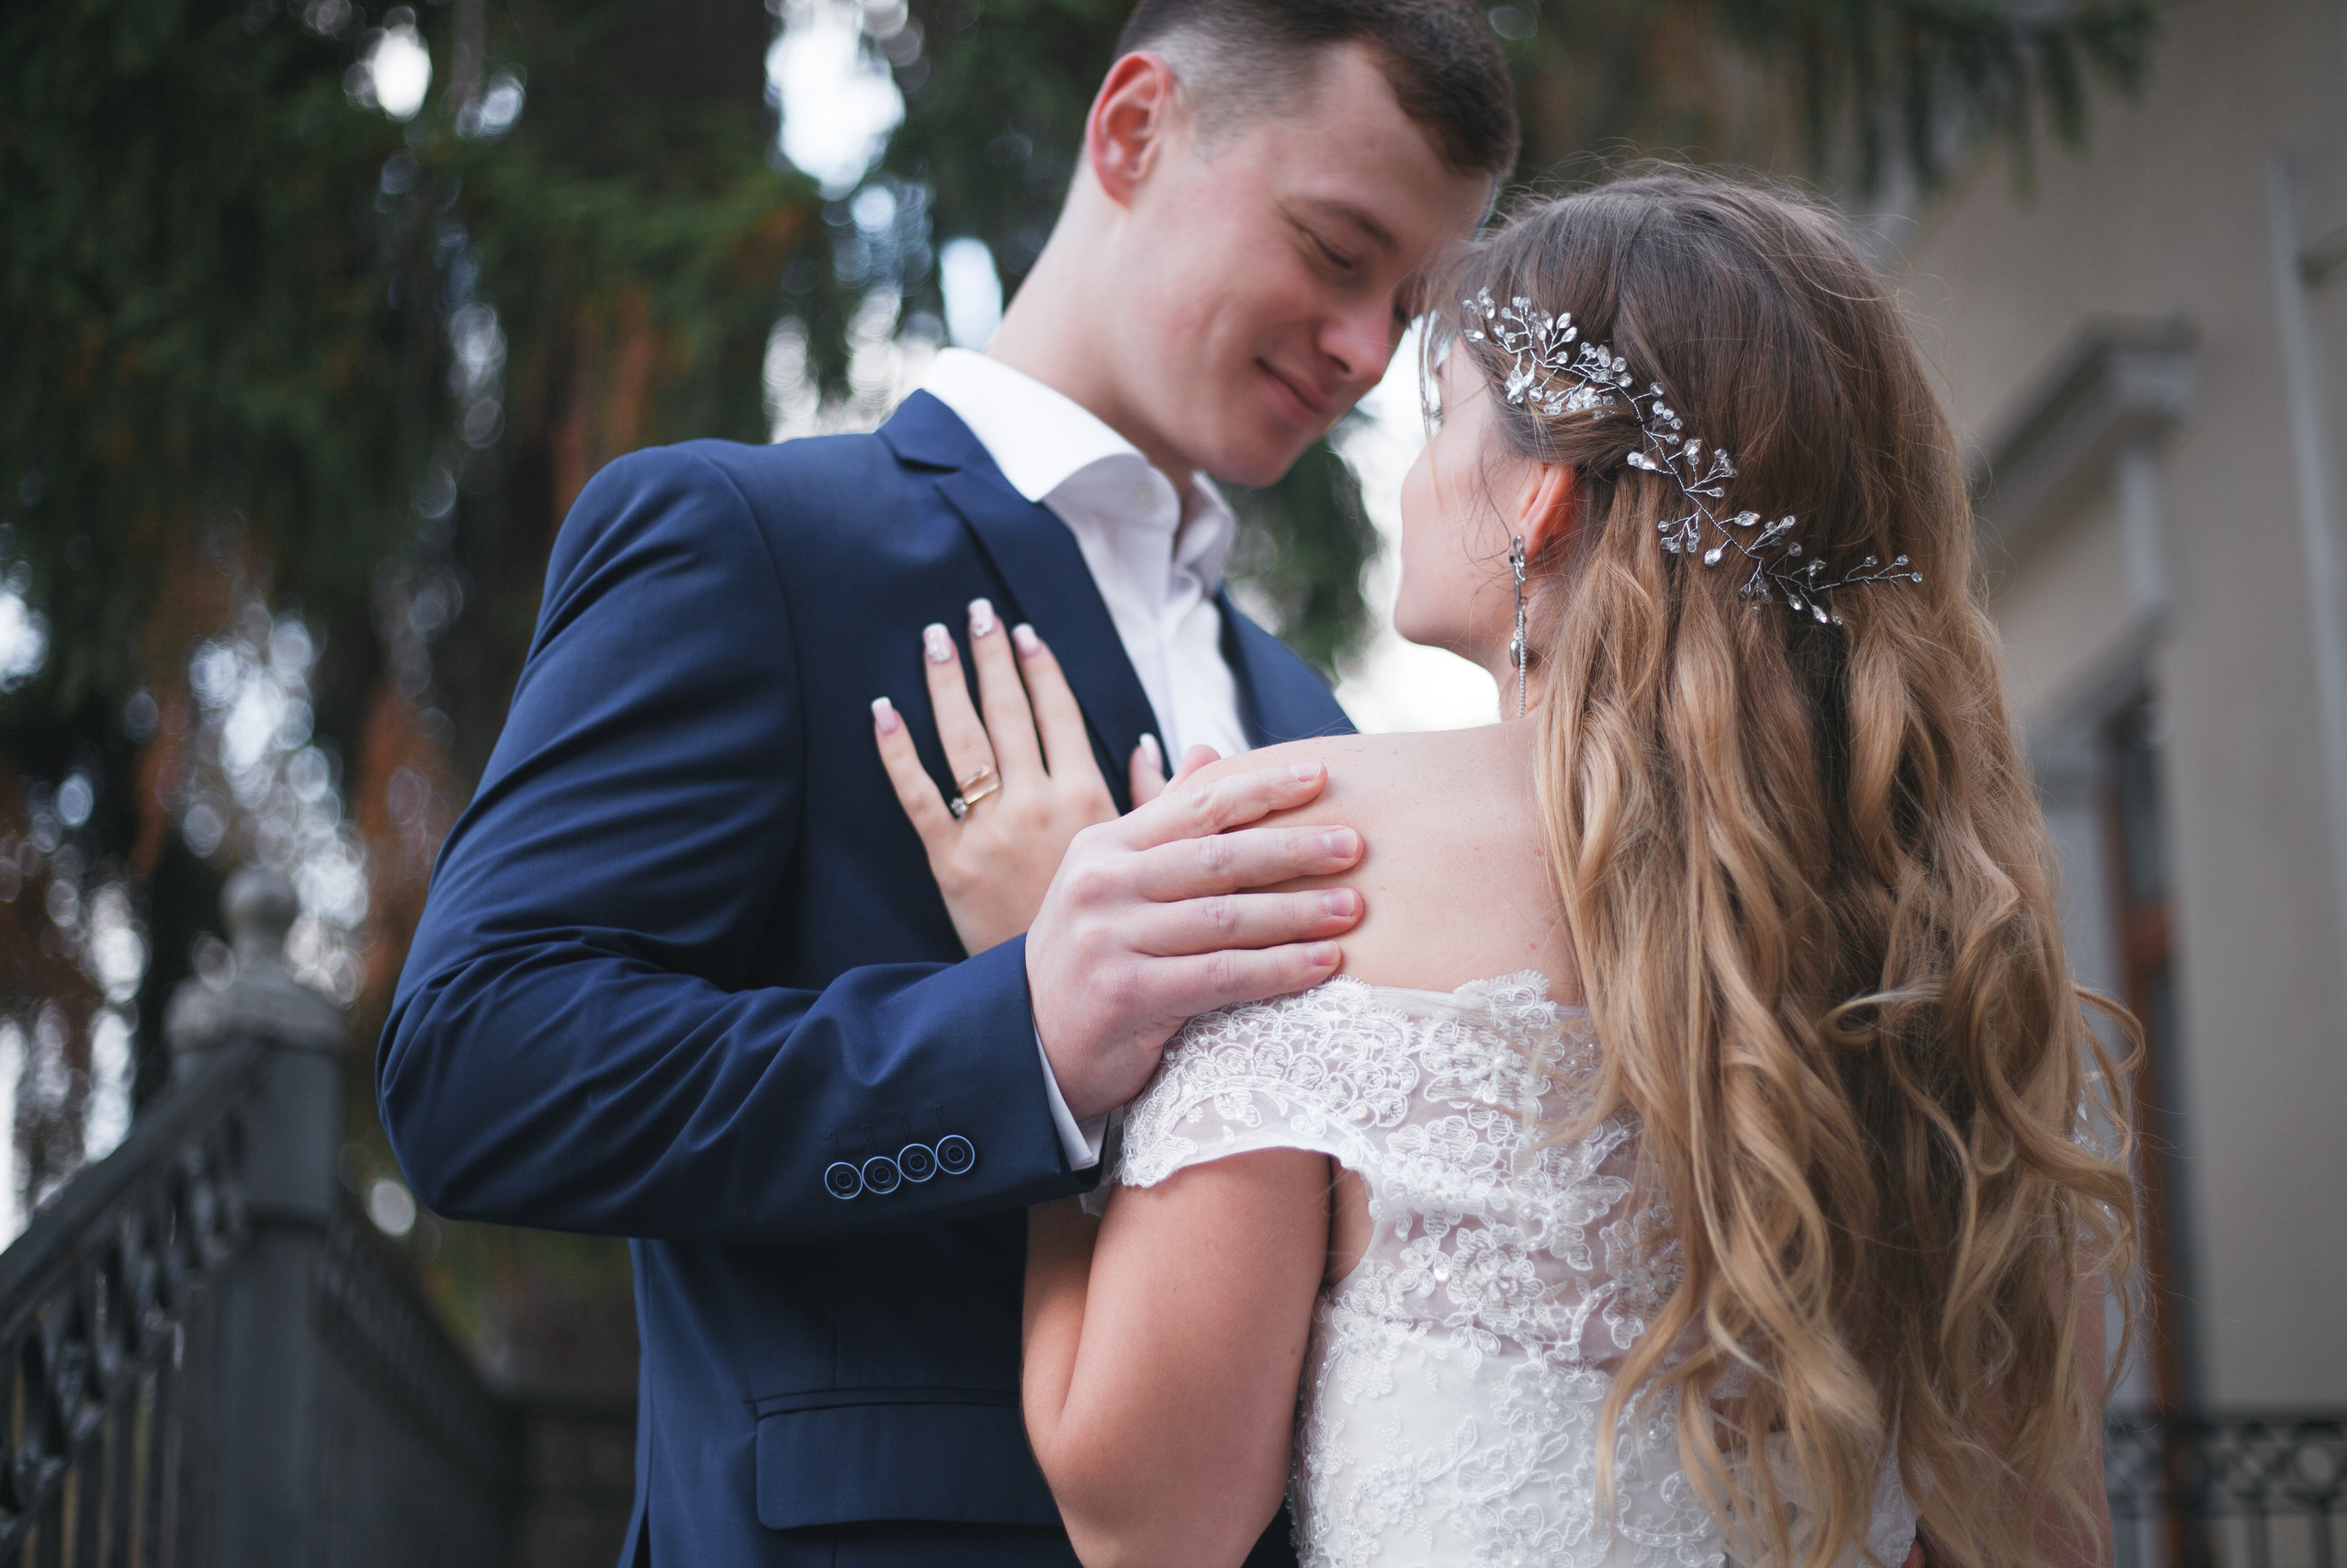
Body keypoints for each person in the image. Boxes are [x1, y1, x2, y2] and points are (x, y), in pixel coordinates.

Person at [374, 3, 1514, 1565]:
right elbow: (476, 1067)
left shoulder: (1308, 712)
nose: (1369, 352)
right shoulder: (750, 544)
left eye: (1412, 307)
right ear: (1132, 130)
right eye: (1334, 251)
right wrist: (1024, 1034)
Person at [881, 172, 2138, 1568]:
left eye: (1440, 419)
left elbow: (1146, 1519)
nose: (1414, 472)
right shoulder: (1971, 958)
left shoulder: (1303, 844)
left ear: (1542, 495)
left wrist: (1039, 990)